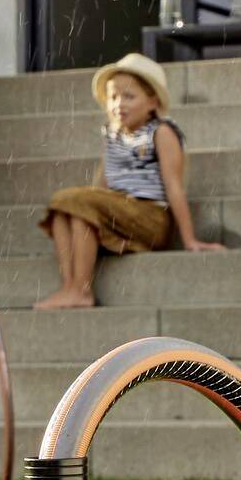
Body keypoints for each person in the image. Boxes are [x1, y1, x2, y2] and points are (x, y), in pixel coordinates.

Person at [35, 52, 225, 308]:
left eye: (129, 96)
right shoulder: (112, 135)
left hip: (149, 216)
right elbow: (101, 185)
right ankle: (71, 285)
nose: (118, 104)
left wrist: (189, 239)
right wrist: (87, 204)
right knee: (64, 208)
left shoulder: (161, 132)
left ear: (152, 102)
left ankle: (81, 289)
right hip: (118, 211)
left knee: (76, 201)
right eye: (113, 97)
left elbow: (174, 187)